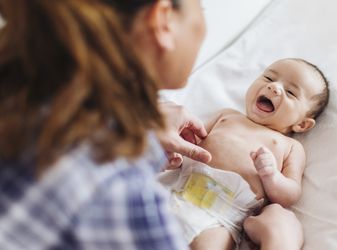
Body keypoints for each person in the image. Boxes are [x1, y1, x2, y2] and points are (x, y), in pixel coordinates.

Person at [0, 0, 209, 249]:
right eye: (201, 8)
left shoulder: (20, 84)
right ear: (163, 19)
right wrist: (270, 237)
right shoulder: (121, 189)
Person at [159, 58, 330, 250]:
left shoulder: (290, 146)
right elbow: (191, 144)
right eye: (268, 78)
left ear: (302, 124)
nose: (274, 87)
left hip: (221, 216)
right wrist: (175, 159)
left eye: (290, 92)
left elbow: (290, 194)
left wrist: (271, 176)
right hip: (179, 190)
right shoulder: (227, 116)